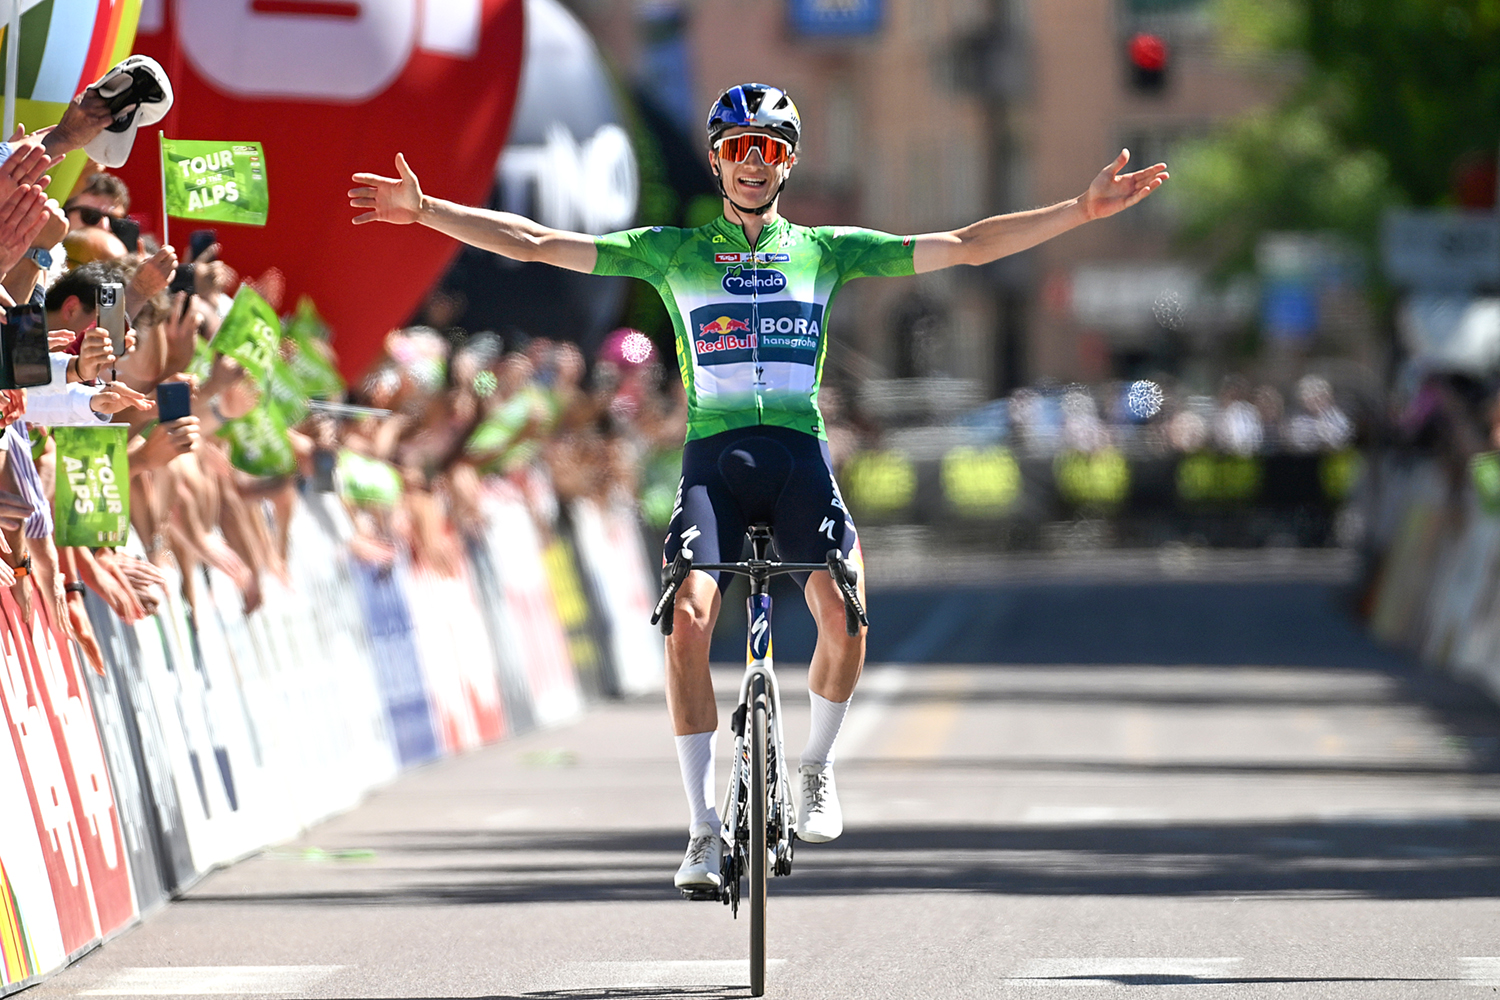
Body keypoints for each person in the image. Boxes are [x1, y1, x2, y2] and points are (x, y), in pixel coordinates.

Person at [349, 82, 1168, 891]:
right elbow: (533, 241)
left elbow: (965, 243)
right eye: (738, 150)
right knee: (688, 624)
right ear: (717, 161)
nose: (752, 163)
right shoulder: (672, 252)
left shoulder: (825, 250)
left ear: (786, 163)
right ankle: (703, 830)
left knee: (845, 617)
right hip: (715, 463)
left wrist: (1078, 211)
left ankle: (814, 767)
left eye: (767, 150)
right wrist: (430, 214)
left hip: (799, 458)